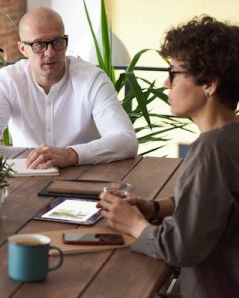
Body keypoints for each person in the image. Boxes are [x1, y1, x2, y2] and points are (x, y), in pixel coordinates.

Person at [98, 16, 239, 297]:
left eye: (173, 72)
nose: (165, 82)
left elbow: (180, 247)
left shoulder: (211, 149)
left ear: (209, 83)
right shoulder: (229, 138)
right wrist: (155, 208)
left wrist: (134, 224)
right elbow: (215, 205)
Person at [0, 7, 138, 169]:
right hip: (27, 178)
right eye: (39, 44)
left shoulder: (92, 79)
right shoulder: (10, 80)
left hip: (82, 177)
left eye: (57, 42)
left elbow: (126, 140)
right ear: (23, 49)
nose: (50, 53)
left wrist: (71, 155)